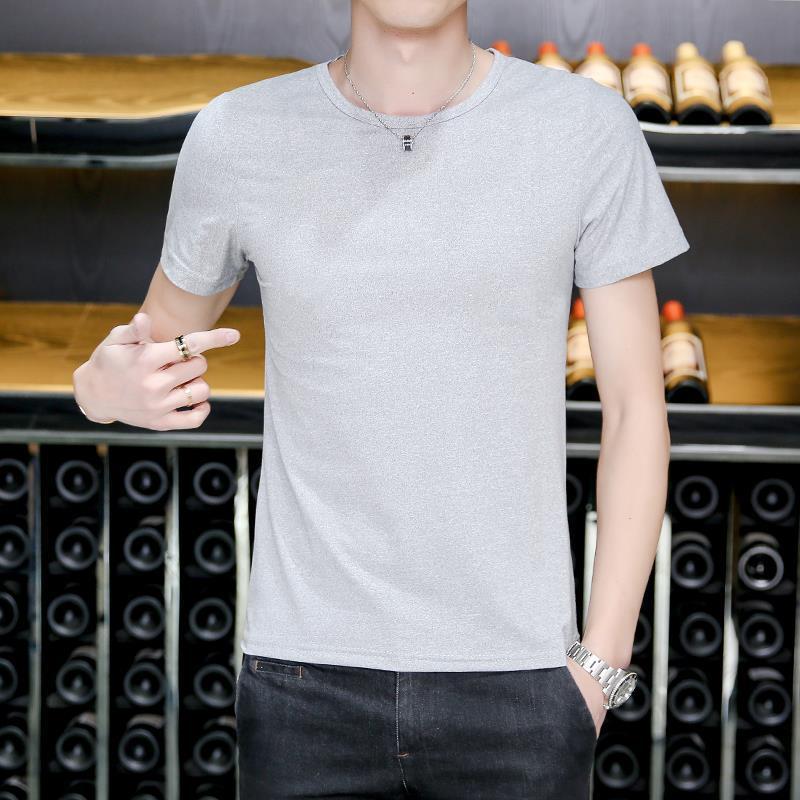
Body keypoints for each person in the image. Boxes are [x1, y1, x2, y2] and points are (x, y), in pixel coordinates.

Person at [72, 1, 689, 797]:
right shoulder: (239, 134)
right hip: (303, 682)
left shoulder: (584, 128)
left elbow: (636, 409)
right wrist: (99, 390)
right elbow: (146, 351)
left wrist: (600, 665)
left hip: (523, 682)